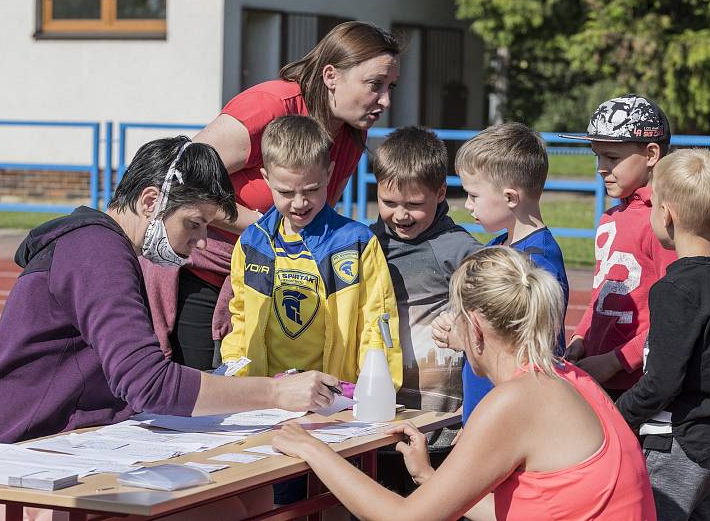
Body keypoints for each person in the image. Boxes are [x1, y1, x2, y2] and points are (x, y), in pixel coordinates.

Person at [0, 136, 339, 453]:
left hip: (51, 439)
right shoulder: (96, 250)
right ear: (151, 201)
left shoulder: (97, 246)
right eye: (194, 224)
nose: (200, 242)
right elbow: (148, 383)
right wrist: (274, 394)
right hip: (15, 448)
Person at [273, 247, 656, 521]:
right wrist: (429, 477)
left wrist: (313, 448)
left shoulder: (516, 401)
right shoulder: (569, 378)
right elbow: (525, 510)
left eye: (454, 317)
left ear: (475, 327)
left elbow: (403, 516)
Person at [144, 21, 402, 371]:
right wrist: (263, 229)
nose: (386, 100)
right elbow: (177, 179)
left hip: (277, 279)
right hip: (202, 272)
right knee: (208, 393)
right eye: (375, 85)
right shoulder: (269, 106)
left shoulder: (350, 135)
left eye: (391, 86)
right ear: (331, 76)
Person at [218, 114, 402, 508]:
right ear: (265, 177)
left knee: (331, 500)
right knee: (274, 501)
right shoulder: (254, 241)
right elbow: (239, 316)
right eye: (286, 191)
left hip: (337, 404)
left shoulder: (354, 242)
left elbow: (378, 320)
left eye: (312, 190)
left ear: (330, 172)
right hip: (267, 404)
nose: (299, 203)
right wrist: (237, 375)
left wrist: (379, 390)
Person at [615, 149, 710, 520]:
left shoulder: (674, 289)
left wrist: (615, 416)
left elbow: (661, 382)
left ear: (667, 214)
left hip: (681, 444)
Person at [431, 123, 569, 426]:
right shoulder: (497, 246)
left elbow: (526, 349)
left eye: (473, 195)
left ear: (510, 197)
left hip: (513, 420)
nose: (467, 205)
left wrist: (462, 339)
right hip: (487, 414)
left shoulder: (537, 263)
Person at [369, 126, 482, 493]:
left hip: (439, 420)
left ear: (440, 193)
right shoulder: (365, 243)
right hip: (381, 412)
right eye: (389, 202)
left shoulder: (457, 249)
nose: (401, 215)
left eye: (414, 205)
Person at [561, 94, 678, 397]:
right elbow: (601, 294)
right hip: (601, 375)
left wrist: (617, 361)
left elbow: (676, 314)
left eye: (612, 158)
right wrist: (580, 338)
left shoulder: (664, 222)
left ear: (651, 153)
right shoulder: (610, 218)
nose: (601, 167)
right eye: (597, 156)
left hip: (639, 385)